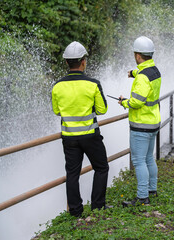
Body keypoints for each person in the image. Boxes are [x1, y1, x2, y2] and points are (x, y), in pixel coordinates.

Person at [51, 41, 110, 217]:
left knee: (72, 174)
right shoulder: (93, 84)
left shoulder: (57, 86)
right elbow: (102, 109)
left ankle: (76, 211)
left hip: (69, 137)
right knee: (101, 168)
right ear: (83, 61)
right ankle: (98, 206)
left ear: (66, 62)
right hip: (90, 135)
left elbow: (57, 111)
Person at [118, 36, 161, 207]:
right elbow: (142, 72)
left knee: (138, 160)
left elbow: (136, 101)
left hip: (141, 125)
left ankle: (143, 197)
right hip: (153, 122)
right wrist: (132, 73)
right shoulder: (155, 71)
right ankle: (152, 189)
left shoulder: (142, 78)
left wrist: (124, 102)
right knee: (149, 158)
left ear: (137, 55)